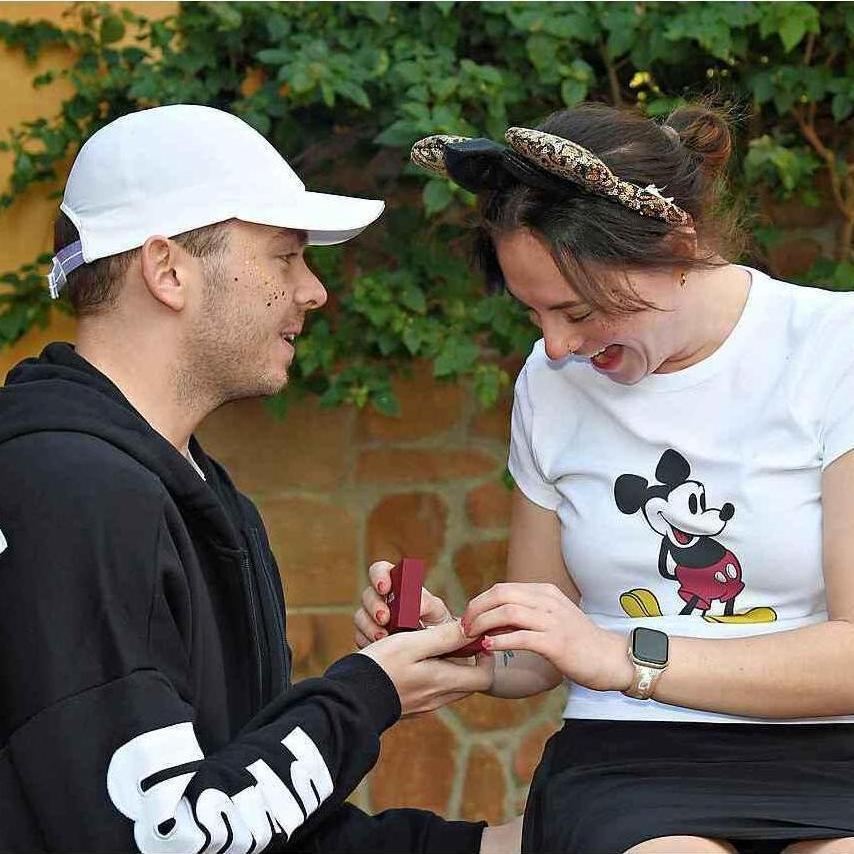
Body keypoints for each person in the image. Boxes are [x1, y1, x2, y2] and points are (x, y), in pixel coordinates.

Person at [0, 104, 522, 854]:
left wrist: (502, 843)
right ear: (168, 270)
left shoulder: (207, 499)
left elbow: (246, 824)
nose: (314, 291)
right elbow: (166, 835)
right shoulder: (71, 491)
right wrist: (366, 694)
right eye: (285, 257)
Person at [355, 102, 854, 854]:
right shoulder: (549, 383)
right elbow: (543, 646)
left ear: (677, 245)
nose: (555, 347)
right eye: (534, 314)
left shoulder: (830, 348)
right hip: (630, 760)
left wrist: (622, 656)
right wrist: (470, 654)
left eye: (579, 311)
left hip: (831, 756)